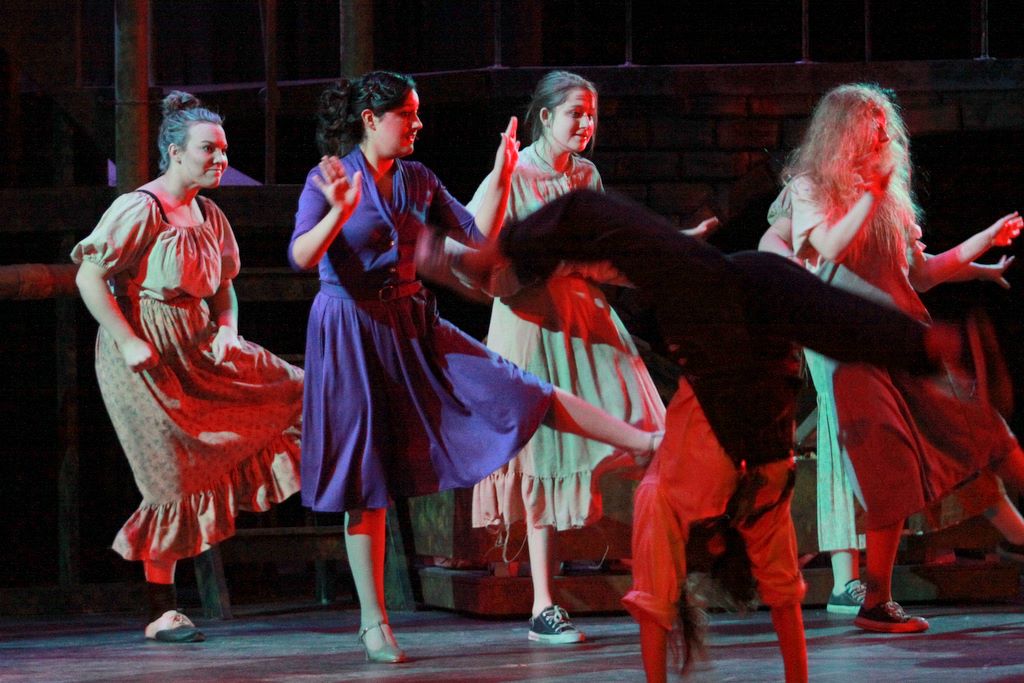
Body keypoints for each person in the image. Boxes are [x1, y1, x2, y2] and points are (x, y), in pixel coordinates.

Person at [417, 187, 974, 682]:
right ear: (713, 549)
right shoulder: (697, 504)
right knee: (598, 219)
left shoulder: (733, 507)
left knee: (830, 318)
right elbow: (728, 606)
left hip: (743, 304)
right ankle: (927, 349)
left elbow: (751, 606)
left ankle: (930, 348)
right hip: (726, 319)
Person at [288, 71, 660, 664]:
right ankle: (373, 622)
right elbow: (302, 255)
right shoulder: (329, 177)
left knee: (521, 391)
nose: (418, 123)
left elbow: (477, 236)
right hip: (351, 331)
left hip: (412, 320)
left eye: (417, 113)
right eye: (407, 114)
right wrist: (338, 211)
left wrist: (504, 173)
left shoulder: (417, 178)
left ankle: (644, 442)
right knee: (368, 479)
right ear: (371, 120)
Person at [763, 82, 1024, 634]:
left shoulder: (889, 199)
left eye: (886, 123)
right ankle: (876, 601)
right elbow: (828, 248)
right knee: (890, 470)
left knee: (989, 434)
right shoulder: (811, 188)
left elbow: (921, 274)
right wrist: (869, 197)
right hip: (852, 349)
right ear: (843, 133)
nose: (883, 133)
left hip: (907, 342)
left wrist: (985, 240)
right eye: (871, 123)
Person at [466, 71, 713, 644]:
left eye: (591, 114)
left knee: (649, 431)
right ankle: (543, 604)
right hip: (531, 324)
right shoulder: (515, 173)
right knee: (543, 457)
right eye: (575, 112)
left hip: (584, 317)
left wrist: (672, 252)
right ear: (545, 116)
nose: (585, 123)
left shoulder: (585, 175)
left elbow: (607, 252)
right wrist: (501, 179)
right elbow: (481, 252)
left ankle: (665, 578)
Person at [71, 91, 304, 643]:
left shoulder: (210, 214)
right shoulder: (140, 209)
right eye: (208, 149)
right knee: (169, 477)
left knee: (297, 391)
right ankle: (163, 611)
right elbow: (88, 275)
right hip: (146, 357)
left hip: (199, 343)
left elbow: (224, 289)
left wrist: (227, 330)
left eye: (223, 149)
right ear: (175, 153)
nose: (220, 159)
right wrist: (128, 340)